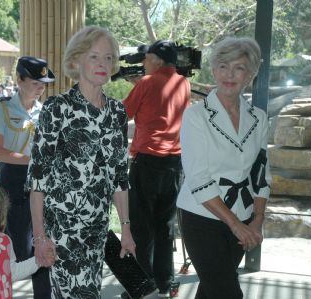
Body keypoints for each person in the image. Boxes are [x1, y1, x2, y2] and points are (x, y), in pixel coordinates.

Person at [28, 26, 136, 298]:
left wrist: (126, 229)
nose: (103, 64)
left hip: (98, 229)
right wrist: (39, 237)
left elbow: (120, 177)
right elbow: (37, 178)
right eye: (94, 57)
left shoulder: (118, 113)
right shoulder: (57, 108)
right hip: (61, 231)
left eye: (109, 58)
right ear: (76, 61)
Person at [176, 36, 270, 299]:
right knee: (227, 292)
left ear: (250, 74)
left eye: (239, 67)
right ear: (214, 70)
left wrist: (257, 221)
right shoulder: (196, 116)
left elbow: (262, 173)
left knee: (211, 289)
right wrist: (236, 225)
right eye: (223, 66)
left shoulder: (259, 118)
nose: (230, 74)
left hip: (244, 214)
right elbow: (198, 178)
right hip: (201, 216)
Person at [122, 40, 191, 297]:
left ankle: (143, 285)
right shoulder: (184, 84)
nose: (143, 62)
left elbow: (123, 113)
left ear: (158, 60)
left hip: (147, 162)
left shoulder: (146, 83)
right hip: (174, 165)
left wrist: (136, 89)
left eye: (146, 58)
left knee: (141, 227)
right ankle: (165, 282)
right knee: (164, 227)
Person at [0, 56, 55, 299]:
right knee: (20, 250)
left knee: (41, 243)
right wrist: (32, 161)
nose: (40, 87)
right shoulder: (2, 108)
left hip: (41, 182)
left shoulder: (45, 111)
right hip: (13, 179)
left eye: (43, 83)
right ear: (20, 80)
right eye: (36, 82)